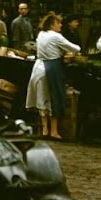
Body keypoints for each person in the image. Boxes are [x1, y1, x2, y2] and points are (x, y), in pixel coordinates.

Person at [26, 12, 80, 140]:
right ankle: (54, 131)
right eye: (58, 23)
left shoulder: (41, 34)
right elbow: (75, 48)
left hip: (38, 68)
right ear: (52, 24)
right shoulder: (56, 36)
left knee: (42, 98)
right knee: (54, 98)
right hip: (51, 68)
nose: (61, 25)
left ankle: (45, 129)